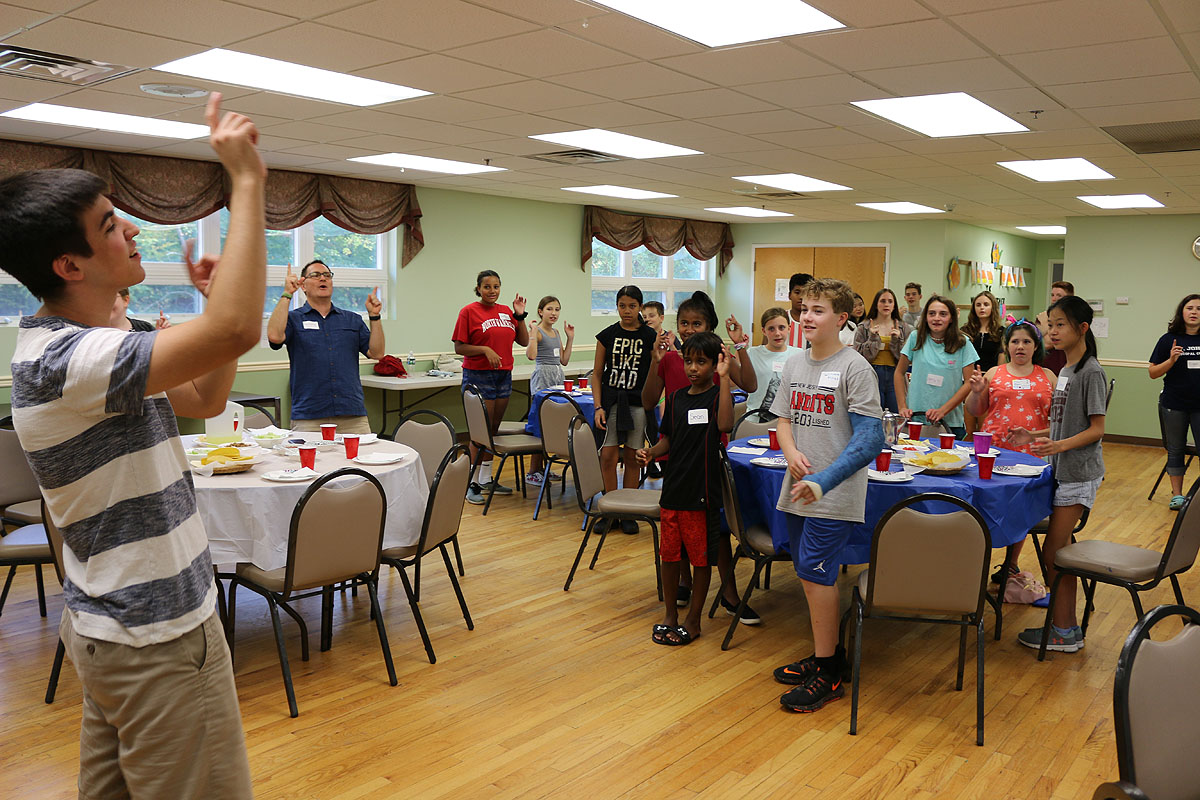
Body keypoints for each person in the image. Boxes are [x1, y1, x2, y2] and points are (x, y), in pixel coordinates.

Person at [0, 92, 260, 798]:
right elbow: (239, 328)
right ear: (70, 266)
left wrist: (211, 311)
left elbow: (206, 399)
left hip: (117, 634)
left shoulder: (105, 347)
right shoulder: (69, 361)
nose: (134, 231)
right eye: (112, 225)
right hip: (157, 634)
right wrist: (246, 183)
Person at [769, 278, 884, 712]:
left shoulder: (856, 368)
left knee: (818, 577)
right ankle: (827, 656)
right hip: (798, 489)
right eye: (804, 308)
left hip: (833, 496)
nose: (806, 317)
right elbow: (782, 420)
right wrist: (792, 450)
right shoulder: (796, 365)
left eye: (817, 310)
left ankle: (830, 675)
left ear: (841, 318)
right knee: (807, 574)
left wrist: (825, 480)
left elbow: (871, 438)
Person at [644, 291, 759, 622]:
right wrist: (654, 361)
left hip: (709, 454)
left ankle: (729, 593)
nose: (689, 329)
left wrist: (739, 347)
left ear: (710, 326)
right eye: (684, 323)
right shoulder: (669, 356)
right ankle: (683, 583)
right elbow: (650, 401)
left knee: (715, 529)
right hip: (677, 451)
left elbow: (749, 383)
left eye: (697, 323)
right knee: (678, 525)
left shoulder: (717, 356)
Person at [1013, 296, 1107, 653]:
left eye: (1060, 324)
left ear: (1082, 329)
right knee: (1059, 549)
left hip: (1079, 473)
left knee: (1056, 548)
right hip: (1063, 469)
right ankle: (1062, 624)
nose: (1052, 330)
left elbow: (1097, 429)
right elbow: (1063, 423)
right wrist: (1034, 436)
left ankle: (1065, 628)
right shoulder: (1066, 371)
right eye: (1050, 324)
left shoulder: (1090, 371)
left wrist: (1059, 447)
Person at [636, 332, 735, 645]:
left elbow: (724, 425)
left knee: (701, 558)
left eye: (701, 362)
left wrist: (725, 378)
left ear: (713, 364)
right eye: (689, 361)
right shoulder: (676, 398)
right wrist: (652, 451)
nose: (693, 368)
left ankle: (693, 620)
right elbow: (669, 438)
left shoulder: (717, 395)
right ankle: (670, 615)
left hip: (702, 492)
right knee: (670, 556)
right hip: (673, 490)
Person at [965, 319, 1056, 582]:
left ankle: (1011, 564)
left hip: (1032, 455)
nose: (1020, 346)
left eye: (1026, 341)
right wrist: (976, 392)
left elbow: (1059, 421)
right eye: (1015, 341)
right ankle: (976, 560)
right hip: (993, 453)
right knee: (987, 504)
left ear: (1035, 346)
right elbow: (975, 410)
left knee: (1019, 508)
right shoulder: (994, 373)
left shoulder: (1047, 376)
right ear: (1007, 344)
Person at [267, 259, 384, 434]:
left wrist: (374, 317)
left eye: (327, 275)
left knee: (359, 460)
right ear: (303, 286)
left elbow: (377, 353)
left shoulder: (352, 319)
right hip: (309, 416)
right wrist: (287, 294)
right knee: (310, 462)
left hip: (352, 415)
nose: (323, 278)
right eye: (315, 275)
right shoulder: (293, 319)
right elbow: (274, 337)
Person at [452, 269, 529, 504]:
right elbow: (459, 347)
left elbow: (524, 341)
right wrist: (485, 350)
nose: (492, 291)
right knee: (479, 431)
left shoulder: (506, 312)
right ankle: (471, 483)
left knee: (492, 430)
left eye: (496, 286)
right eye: (487, 287)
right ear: (478, 289)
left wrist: (520, 315)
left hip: (503, 375)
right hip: (478, 375)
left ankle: (486, 478)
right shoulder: (468, 311)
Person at [592, 285, 657, 533]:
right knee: (607, 455)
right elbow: (597, 375)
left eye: (632, 306)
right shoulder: (606, 335)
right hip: (610, 403)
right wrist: (598, 406)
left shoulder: (650, 337)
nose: (627, 311)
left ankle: (628, 509)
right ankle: (610, 510)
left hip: (638, 404)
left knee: (633, 457)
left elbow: (657, 370)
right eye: (622, 305)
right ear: (616, 306)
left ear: (640, 306)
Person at [894, 295, 979, 440]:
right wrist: (902, 406)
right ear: (925, 317)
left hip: (949, 422)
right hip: (916, 419)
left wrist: (942, 411)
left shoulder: (963, 343)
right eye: (931, 313)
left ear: (952, 318)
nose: (936, 318)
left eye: (943, 314)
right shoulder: (916, 338)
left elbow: (969, 383)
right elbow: (899, 373)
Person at [1148, 293, 1200, 510]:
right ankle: (1177, 496)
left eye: (1199, 309)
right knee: (1176, 449)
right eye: (1190, 308)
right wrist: (1170, 360)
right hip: (1174, 404)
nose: (1195, 312)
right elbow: (1152, 373)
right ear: (1182, 312)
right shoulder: (1168, 339)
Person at [526, 295, 573, 486]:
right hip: (543, 378)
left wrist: (570, 338)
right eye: (549, 309)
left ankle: (543, 468)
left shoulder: (556, 333)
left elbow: (564, 360)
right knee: (541, 426)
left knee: (551, 425)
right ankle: (532, 471)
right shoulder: (538, 332)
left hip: (556, 376)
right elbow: (531, 355)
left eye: (557, 309)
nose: (553, 313)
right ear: (540, 311)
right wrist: (532, 332)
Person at [852, 288, 912, 413]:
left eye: (890, 301)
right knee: (873, 413)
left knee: (897, 414)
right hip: (872, 373)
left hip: (895, 375)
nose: (886, 304)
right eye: (883, 301)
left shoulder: (904, 328)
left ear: (894, 305)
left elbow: (908, 358)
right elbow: (858, 357)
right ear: (876, 304)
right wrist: (873, 339)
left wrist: (896, 341)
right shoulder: (863, 327)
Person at [743, 307, 802, 421]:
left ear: (789, 328)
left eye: (782, 327)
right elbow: (737, 381)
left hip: (787, 420)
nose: (777, 333)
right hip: (755, 418)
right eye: (771, 329)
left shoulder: (798, 355)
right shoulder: (753, 353)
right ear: (764, 331)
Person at [961, 290, 1004, 436]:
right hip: (968, 381)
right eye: (978, 305)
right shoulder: (965, 331)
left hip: (988, 382)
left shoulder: (1000, 332)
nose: (982, 308)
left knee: (984, 430)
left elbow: (1001, 363)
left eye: (986, 304)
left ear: (993, 307)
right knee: (969, 431)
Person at [1036, 281, 1074, 376]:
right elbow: (1039, 344)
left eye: (1059, 295)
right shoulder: (1043, 316)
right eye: (1052, 295)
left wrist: (1044, 327)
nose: (1054, 299)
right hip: (1043, 367)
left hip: (1063, 367)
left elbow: (1049, 343)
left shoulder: (1072, 319)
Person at [786, 272, 814, 348]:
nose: (801, 297)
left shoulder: (817, 320)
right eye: (797, 292)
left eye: (805, 293)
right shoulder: (780, 318)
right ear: (789, 295)